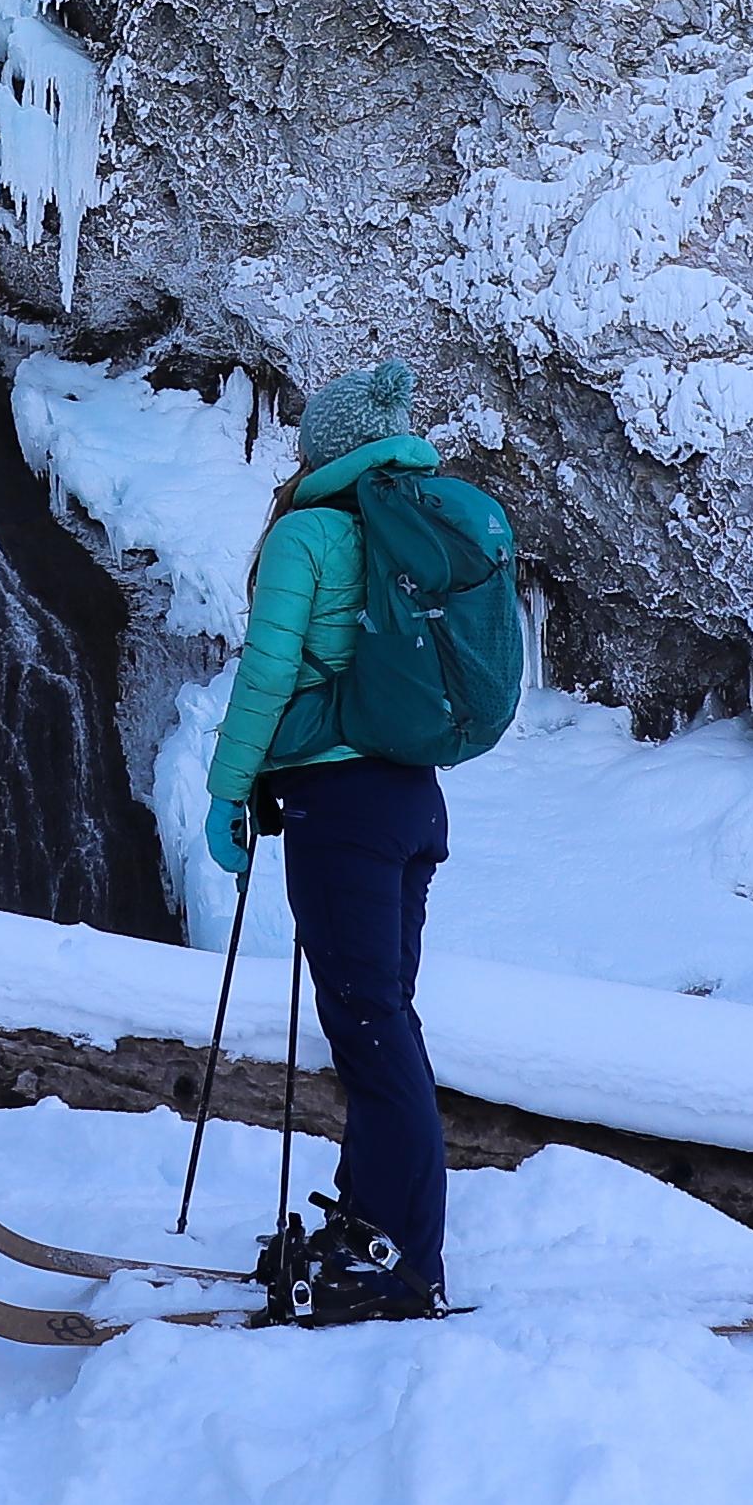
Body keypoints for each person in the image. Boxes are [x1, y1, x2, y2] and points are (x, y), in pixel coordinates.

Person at [203, 357, 503, 1322]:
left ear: (323, 449)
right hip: (412, 804)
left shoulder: (310, 535)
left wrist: (228, 790)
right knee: (382, 1023)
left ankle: (405, 1260)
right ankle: (374, 1227)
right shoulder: (410, 533)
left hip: (341, 812)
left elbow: (264, 678)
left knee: (370, 1030)